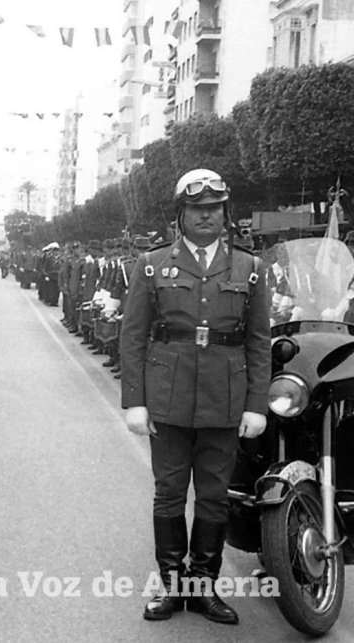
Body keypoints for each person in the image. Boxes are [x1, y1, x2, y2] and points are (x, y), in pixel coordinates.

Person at [120, 169, 272, 625]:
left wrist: (255, 405)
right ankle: (170, 586)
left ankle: (203, 587)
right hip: (167, 396)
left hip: (224, 399)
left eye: (214, 209)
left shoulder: (250, 268)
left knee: (212, 496)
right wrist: (135, 401)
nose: (206, 217)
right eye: (196, 209)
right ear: (180, 215)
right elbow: (132, 336)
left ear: (226, 214)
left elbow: (258, 341)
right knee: (168, 494)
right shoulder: (151, 265)